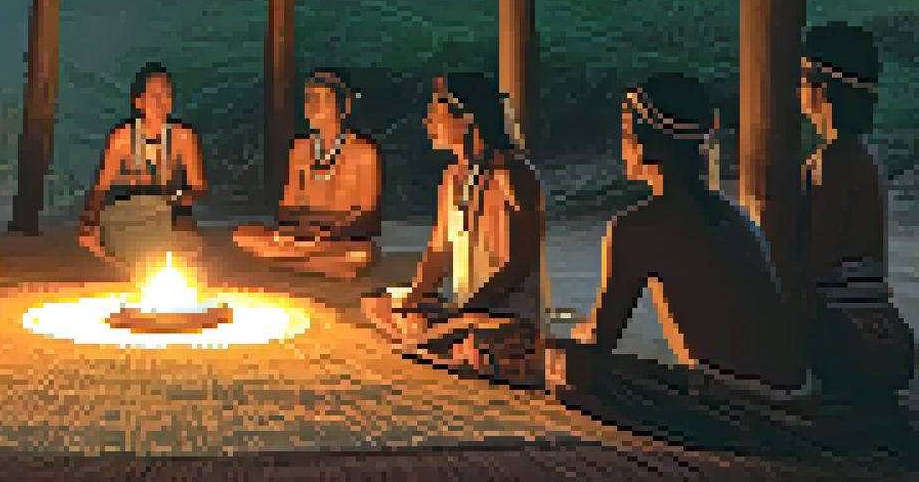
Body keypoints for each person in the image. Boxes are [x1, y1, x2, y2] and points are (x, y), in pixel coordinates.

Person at [559, 73, 809, 405]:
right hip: (801, 393)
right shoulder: (734, 216)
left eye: (624, 134)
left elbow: (601, 342)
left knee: (572, 370)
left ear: (645, 143)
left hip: (744, 403)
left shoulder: (636, 229)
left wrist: (568, 341)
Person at [359, 72, 544, 383]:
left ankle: (446, 343)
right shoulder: (452, 177)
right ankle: (441, 342)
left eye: (434, 114)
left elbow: (517, 266)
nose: (427, 123)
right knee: (376, 302)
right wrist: (414, 298)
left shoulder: (512, 174)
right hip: (461, 310)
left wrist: (464, 313)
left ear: (466, 118)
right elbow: (438, 252)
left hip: (501, 316)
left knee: (478, 338)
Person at [799, 23, 914, 404]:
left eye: (801, 78)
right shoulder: (863, 154)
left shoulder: (834, 161)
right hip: (877, 326)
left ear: (821, 88)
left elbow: (817, 261)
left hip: (845, 336)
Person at [234, 70, 383, 279]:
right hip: (301, 237)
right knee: (244, 235)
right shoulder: (300, 149)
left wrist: (329, 230)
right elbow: (286, 208)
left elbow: (369, 217)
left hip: (339, 240)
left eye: (321, 99)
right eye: (309, 99)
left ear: (342, 107)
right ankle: (307, 263)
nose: (313, 106)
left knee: (362, 255)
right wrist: (303, 231)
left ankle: (289, 262)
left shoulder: (364, 152)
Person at [79, 63, 208, 276]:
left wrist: (176, 198)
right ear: (138, 102)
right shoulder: (122, 138)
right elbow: (100, 188)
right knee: (101, 239)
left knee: (187, 246)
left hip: (167, 214)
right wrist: (89, 219)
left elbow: (199, 187)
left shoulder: (183, 137)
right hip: (130, 215)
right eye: (153, 95)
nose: (161, 101)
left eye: (166, 94)